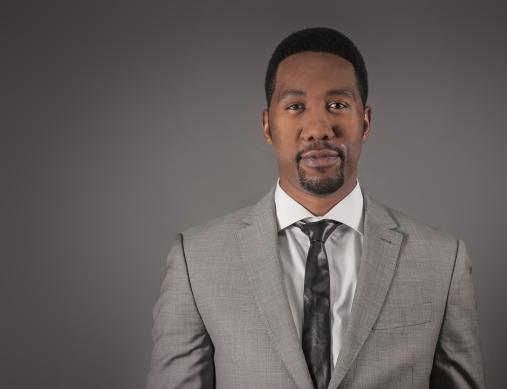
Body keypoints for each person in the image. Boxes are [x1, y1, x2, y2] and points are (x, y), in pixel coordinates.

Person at [147, 27, 485, 389]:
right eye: (295, 107)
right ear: (267, 125)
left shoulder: (441, 261)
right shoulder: (196, 260)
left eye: (337, 105)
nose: (318, 129)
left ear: (365, 121)